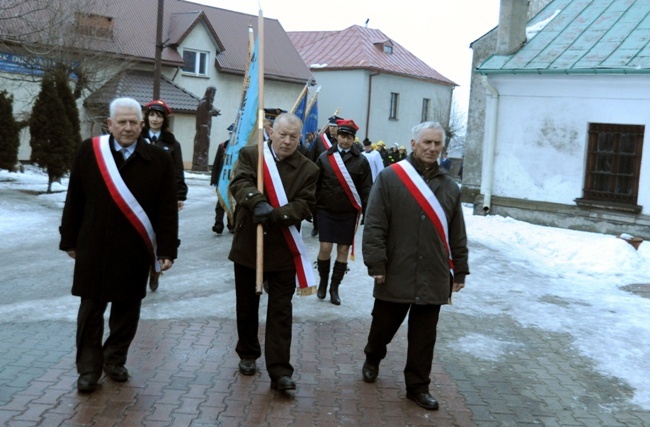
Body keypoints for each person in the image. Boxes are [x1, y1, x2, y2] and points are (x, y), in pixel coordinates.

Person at [59, 97, 179, 393]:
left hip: (134, 249)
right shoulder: (90, 151)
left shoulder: (159, 158)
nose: (127, 128)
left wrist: (167, 249)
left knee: (127, 311)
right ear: (109, 124)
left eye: (133, 122)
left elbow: (166, 209)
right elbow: (74, 198)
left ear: (141, 124)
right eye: (121, 122)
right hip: (94, 246)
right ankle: (88, 368)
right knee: (90, 311)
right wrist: (69, 239)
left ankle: (114, 360)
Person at [360, 121, 469, 411]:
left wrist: (460, 269)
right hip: (396, 269)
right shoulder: (390, 177)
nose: (432, 148)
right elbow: (374, 224)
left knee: (424, 337)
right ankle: (373, 356)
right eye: (427, 143)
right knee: (383, 327)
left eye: (437, 144)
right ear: (413, 143)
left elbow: (457, 231)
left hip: (434, 273)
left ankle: (418, 386)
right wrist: (376, 263)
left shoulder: (449, 187)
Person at [228, 112, 319, 391]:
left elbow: (305, 204)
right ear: (271, 132)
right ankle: (247, 353)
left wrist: (276, 214)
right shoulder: (251, 155)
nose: (288, 141)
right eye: (283, 134)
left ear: (300, 138)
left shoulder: (309, 169)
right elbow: (239, 183)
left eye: (294, 136)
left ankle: (280, 371)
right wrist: (256, 203)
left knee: (281, 311)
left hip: (283, 250)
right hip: (248, 246)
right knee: (247, 306)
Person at [315, 119, 372, 305]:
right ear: (336, 136)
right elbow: (315, 185)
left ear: (353, 139)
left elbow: (366, 188)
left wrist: (367, 211)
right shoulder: (324, 157)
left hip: (348, 212)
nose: (345, 140)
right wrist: (311, 208)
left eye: (349, 137)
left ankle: (334, 287)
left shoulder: (361, 161)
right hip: (326, 209)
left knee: (343, 249)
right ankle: (323, 281)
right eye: (342, 136)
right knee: (325, 247)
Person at [141, 99, 187, 291]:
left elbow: (178, 171)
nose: (154, 119)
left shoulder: (171, 143)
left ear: (164, 120)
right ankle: (140, 270)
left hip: (162, 197)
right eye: (152, 115)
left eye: (159, 116)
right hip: (139, 196)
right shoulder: (137, 137)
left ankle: (155, 271)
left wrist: (179, 196)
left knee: (159, 236)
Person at [308, 115, 342, 237]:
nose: (332, 129)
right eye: (331, 126)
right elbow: (312, 157)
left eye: (335, 127)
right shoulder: (320, 140)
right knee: (317, 201)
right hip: (319, 175)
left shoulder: (341, 142)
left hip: (335, 176)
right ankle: (316, 225)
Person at [210, 124, 235, 234]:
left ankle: (232, 224)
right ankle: (218, 224)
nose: (231, 135)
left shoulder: (240, 148)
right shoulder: (223, 146)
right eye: (230, 133)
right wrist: (214, 180)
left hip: (234, 180)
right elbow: (216, 164)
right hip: (222, 180)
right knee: (220, 203)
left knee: (232, 203)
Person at [192, 86, 221, 171]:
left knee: (205, 147)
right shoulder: (203, 103)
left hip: (206, 128)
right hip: (203, 128)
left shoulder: (208, 103)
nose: (212, 95)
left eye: (214, 93)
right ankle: (199, 164)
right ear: (208, 93)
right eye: (211, 93)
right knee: (202, 147)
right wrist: (210, 113)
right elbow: (201, 116)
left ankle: (202, 164)